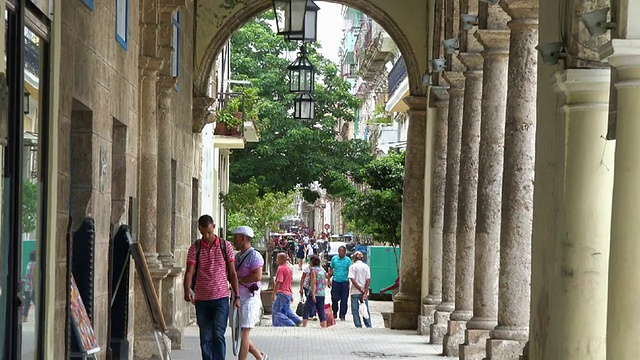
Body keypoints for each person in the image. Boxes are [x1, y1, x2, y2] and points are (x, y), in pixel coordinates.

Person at [184, 215, 240, 360]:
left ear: (214, 227)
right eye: (203, 233)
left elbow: (233, 272)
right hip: (202, 299)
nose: (206, 236)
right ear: (199, 230)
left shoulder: (225, 246)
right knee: (205, 336)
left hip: (221, 298)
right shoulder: (195, 248)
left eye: (209, 232)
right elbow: (189, 271)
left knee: (218, 333)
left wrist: (237, 296)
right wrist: (187, 290)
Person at [232, 226, 268, 360]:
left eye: (236, 237)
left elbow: (258, 276)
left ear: (243, 239)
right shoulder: (238, 256)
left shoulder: (254, 256)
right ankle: (260, 356)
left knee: (244, 334)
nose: (234, 240)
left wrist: (240, 279)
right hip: (238, 297)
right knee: (239, 334)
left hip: (249, 298)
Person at [272, 253, 302, 327]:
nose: (276, 260)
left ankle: (290, 323)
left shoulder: (281, 268)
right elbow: (290, 282)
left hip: (282, 292)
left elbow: (279, 281)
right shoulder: (289, 269)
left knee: (276, 311)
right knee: (286, 309)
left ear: (281, 259)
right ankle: (296, 320)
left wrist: (274, 293)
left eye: (277, 258)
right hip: (288, 292)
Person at [302, 256, 328, 327]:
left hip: (314, 293)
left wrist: (313, 293)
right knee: (321, 310)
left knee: (306, 309)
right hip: (322, 293)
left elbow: (313, 282)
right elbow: (325, 281)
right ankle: (324, 326)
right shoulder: (322, 270)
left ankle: (304, 325)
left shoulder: (313, 270)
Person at [349, 251, 372, 328]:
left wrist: (360, 288)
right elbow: (368, 280)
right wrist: (365, 291)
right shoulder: (366, 267)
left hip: (354, 291)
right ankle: (368, 325)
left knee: (355, 310)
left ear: (355, 258)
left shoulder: (352, 267)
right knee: (365, 309)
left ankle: (358, 325)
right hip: (364, 292)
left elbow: (352, 279)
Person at [328, 246, 352, 321]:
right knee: (334, 298)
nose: (341, 252)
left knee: (344, 299)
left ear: (345, 252)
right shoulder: (334, 259)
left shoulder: (348, 260)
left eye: (343, 251)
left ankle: (342, 315)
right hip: (336, 281)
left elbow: (350, 271)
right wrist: (328, 280)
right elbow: (331, 270)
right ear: (338, 252)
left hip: (345, 282)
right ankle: (335, 311)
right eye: (340, 251)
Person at [22, 250, 37, 322]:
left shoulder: (28, 264)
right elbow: (33, 277)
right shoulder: (35, 265)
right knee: (37, 303)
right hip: (32, 288)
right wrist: (33, 288)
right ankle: (40, 318)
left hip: (26, 287)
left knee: (27, 304)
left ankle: (24, 318)